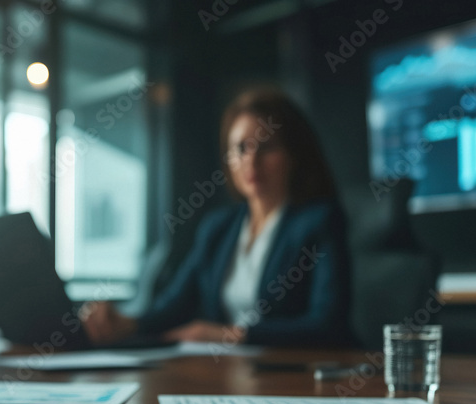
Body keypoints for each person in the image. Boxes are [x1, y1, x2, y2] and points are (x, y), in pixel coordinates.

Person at [83, 88, 350, 347]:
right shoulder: (219, 226)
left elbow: (327, 324)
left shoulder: (321, 221)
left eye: (266, 147)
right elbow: (175, 305)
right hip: (229, 373)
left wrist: (230, 335)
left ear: (294, 154)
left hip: (293, 374)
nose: (251, 161)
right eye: (241, 148)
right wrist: (125, 323)